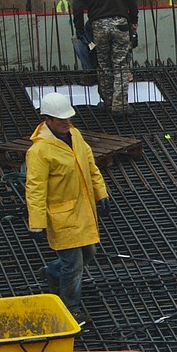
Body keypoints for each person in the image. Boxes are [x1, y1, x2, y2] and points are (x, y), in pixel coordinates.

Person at [25, 93, 110, 325]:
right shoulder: (39, 152)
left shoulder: (75, 135)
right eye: (61, 119)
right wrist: (37, 223)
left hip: (83, 210)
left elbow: (90, 165)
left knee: (89, 254)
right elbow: (35, 189)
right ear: (47, 120)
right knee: (74, 265)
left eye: (68, 118)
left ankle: (53, 272)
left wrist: (101, 193)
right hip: (62, 216)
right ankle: (70, 308)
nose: (66, 122)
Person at [72, 0, 139, 115]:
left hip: (98, 26)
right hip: (120, 24)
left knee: (104, 65)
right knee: (120, 64)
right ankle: (120, 105)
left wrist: (80, 29)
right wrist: (133, 21)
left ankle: (109, 103)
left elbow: (77, 8)